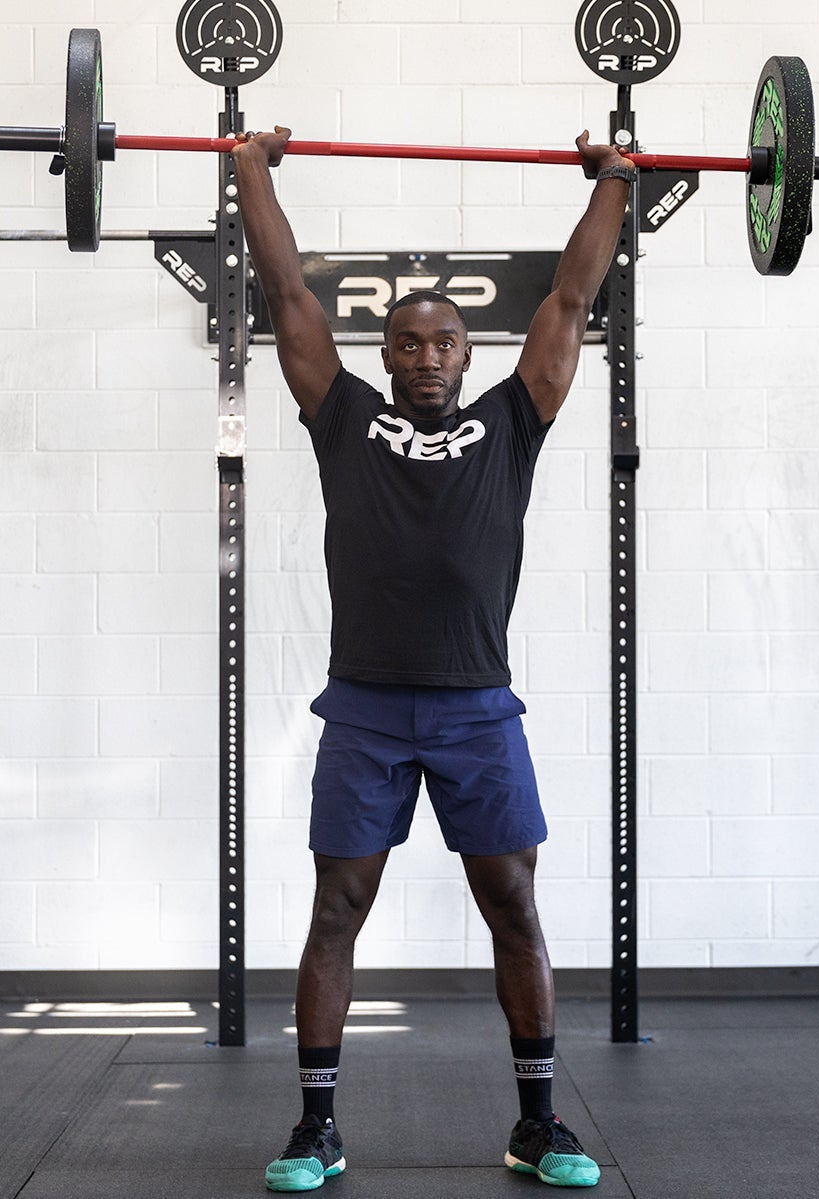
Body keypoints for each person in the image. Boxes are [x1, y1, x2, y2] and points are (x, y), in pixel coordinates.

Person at [231, 125, 633, 1192]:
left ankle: (538, 1123)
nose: (424, 354)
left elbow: (570, 301)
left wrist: (616, 183)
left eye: (443, 340)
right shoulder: (343, 419)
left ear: (466, 351)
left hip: (476, 710)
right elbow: (285, 296)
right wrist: (250, 173)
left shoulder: (513, 420)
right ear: (384, 356)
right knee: (336, 910)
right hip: (364, 707)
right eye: (406, 341)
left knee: (514, 902)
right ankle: (316, 1126)